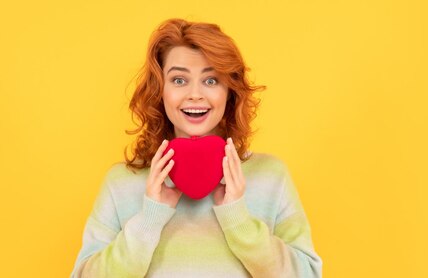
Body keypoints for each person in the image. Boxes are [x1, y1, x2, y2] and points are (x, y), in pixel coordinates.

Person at [70, 18, 322, 277]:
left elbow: (308, 274)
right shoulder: (121, 182)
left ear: (229, 92)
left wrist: (239, 221)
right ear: (160, 90)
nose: (195, 94)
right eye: (179, 80)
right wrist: (149, 220)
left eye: (211, 80)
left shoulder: (271, 176)